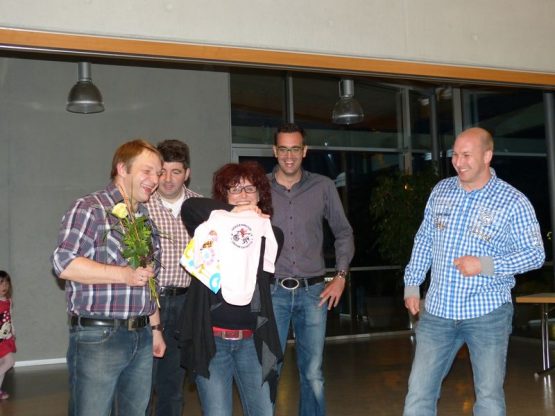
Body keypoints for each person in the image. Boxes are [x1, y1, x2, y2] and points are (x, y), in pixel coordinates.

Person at [403, 127, 545, 416]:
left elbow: (535, 254)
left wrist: (485, 265)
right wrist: (412, 284)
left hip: (487, 313)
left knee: (489, 398)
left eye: (466, 155)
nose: (458, 162)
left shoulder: (513, 201)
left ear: (487, 156)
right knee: (418, 393)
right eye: (455, 154)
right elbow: (425, 239)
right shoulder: (441, 191)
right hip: (438, 311)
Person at [51, 139, 167, 416]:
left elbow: (149, 280)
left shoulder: (145, 220)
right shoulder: (90, 208)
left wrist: (156, 330)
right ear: (122, 169)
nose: (155, 180)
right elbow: (63, 263)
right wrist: (123, 275)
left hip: (142, 335)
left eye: (158, 173)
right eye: (147, 171)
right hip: (99, 337)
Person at [177, 161, 283, 416]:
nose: (243, 195)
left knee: (263, 411)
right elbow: (190, 207)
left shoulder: (271, 234)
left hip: (252, 341)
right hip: (212, 341)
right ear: (223, 196)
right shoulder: (210, 227)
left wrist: (247, 218)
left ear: (260, 195)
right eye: (234, 189)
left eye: (250, 189)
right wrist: (234, 212)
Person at [268, 122, 355, 416]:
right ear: (274, 151)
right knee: (268, 370)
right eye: (283, 149)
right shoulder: (259, 188)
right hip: (272, 292)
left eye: (295, 149)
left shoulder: (323, 186)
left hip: (313, 293)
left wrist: (340, 276)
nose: (289, 156)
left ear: (304, 151)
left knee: (313, 373)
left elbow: (344, 232)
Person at [145, 140, 200, 416]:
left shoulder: (202, 208)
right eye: (162, 171)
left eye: (175, 172)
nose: (167, 179)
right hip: (148, 303)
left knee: (173, 384)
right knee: (141, 384)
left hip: (186, 303)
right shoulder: (141, 204)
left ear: (186, 173)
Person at [0, 271, 15, 400]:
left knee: (4, 363)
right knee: (9, 362)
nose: (4, 286)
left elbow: (9, 319)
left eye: (6, 283)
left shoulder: (9, 301)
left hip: (5, 338)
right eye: (1, 283)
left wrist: (12, 331)